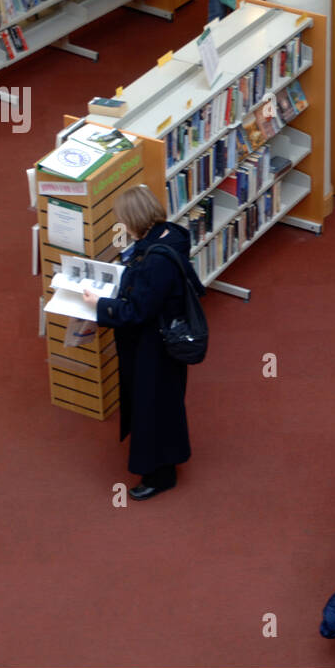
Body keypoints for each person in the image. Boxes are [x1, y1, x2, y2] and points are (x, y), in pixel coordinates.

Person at [82, 186, 204, 500]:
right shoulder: (170, 236)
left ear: (133, 219)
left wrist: (99, 305)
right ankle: (165, 462)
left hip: (153, 348)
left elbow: (138, 311)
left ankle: (158, 475)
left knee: (152, 408)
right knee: (164, 404)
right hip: (165, 342)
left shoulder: (154, 261)